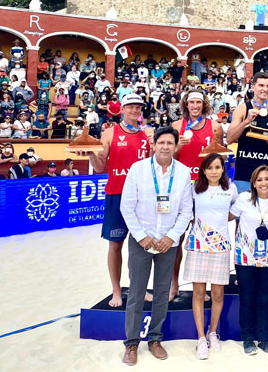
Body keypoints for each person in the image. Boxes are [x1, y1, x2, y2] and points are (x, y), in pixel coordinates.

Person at [119, 126, 193, 366]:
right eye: (161, 142)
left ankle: (155, 339)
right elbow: (127, 207)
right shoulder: (138, 169)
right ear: (153, 145)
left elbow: (186, 211)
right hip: (142, 241)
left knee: (162, 293)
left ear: (175, 146)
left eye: (170, 143)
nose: (165, 147)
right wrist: (141, 236)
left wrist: (171, 237)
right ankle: (131, 343)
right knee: (137, 293)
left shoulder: (182, 173)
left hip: (167, 243)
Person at [80, 94, 153, 308]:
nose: (134, 111)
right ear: (122, 109)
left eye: (138, 107)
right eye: (130, 107)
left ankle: (139, 288)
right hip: (117, 194)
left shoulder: (147, 134)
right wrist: (91, 155)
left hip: (142, 196)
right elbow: (100, 165)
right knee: (115, 245)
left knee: (143, 246)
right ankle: (116, 290)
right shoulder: (110, 133)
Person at [171, 89, 224, 300]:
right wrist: (177, 146)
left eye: (198, 103)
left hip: (205, 185)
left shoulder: (215, 126)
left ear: (204, 105)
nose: (195, 106)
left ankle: (203, 289)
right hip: (182, 186)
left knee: (207, 238)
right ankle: (173, 284)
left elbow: (219, 157)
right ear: (186, 104)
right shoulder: (177, 127)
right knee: (177, 238)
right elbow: (166, 156)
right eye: (191, 102)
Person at [184, 154, 237, 360]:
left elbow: (235, 211)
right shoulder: (195, 189)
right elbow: (188, 214)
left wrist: (220, 225)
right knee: (198, 294)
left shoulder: (230, 189)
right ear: (203, 170)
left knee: (217, 294)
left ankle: (212, 332)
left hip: (221, 247)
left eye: (218, 167)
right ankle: (200, 337)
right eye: (210, 167)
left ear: (223, 169)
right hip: (198, 246)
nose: (214, 171)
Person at [229, 165, 268, 355]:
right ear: (253, 182)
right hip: (245, 256)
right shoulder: (244, 199)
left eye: (267, 179)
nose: (263, 183)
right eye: (259, 179)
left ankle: (263, 338)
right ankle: (247, 338)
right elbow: (228, 216)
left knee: (263, 299)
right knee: (247, 298)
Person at [228, 71, 268, 193]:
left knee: (266, 210)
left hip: (267, 170)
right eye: (261, 85)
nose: (265, 89)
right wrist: (246, 121)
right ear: (253, 87)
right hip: (245, 169)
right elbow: (229, 139)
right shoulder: (242, 109)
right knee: (243, 209)